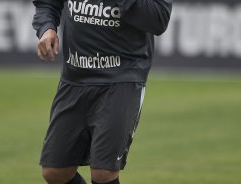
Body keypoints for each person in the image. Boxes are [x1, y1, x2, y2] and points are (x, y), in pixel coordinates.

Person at [32, 0, 172, 183]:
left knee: (103, 173)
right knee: (54, 172)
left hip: (121, 77)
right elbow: (47, 3)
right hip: (75, 77)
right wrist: (47, 27)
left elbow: (158, 19)